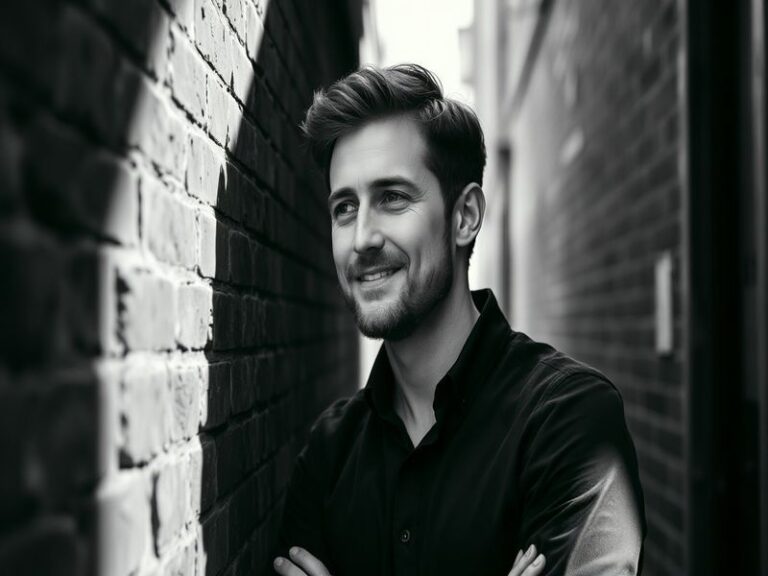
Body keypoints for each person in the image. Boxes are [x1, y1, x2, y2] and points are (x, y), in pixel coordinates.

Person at [273, 64, 646, 576]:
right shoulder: (328, 456)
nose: (362, 238)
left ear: (465, 216)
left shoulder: (570, 424)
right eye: (344, 208)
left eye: (392, 198)